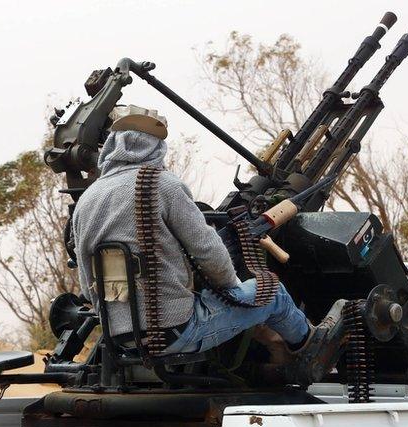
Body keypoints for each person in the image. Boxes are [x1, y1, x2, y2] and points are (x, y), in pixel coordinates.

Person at [71, 105, 345, 382]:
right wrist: (231, 291)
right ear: (155, 148)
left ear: (111, 148)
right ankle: (312, 349)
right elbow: (208, 252)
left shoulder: (88, 200)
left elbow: (87, 283)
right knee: (272, 293)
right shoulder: (162, 185)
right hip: (174, 332)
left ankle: (281, 353)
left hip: (120, 339)